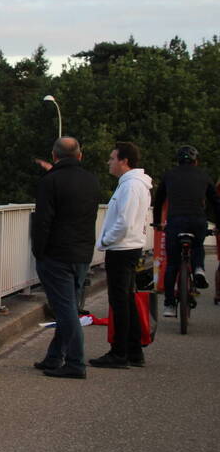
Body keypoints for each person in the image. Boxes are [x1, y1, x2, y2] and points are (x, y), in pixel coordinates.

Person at [31, 136, 100, 379]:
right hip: (82, 253)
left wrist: (39, 252)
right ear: (80, 155)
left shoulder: (50, 182)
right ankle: (54, 357)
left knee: (66, 310)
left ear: (54, 155)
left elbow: (43, 221)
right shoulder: (92, 181)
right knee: (68, 306)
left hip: (57, 254)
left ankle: (75, 362)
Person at [89, 142, 152, 368]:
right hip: (128, 247)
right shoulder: (134, 184)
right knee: (127, 300)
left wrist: (105, 241)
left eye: (112, 158)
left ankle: (119, 353)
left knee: (120, 302)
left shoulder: (130, 186)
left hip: (121, 249)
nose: (109, 162)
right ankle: (133, 351)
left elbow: (124, 222)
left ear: (124, 161)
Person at [153, 145, 220, 318]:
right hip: (197, 220)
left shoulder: (169, 175)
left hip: (175, 221)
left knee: (172, 264)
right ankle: (199, 269)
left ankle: (169, 305)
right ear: (196, 161)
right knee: (197, 246)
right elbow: (216, 202)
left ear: (178, 161)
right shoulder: (204, 175)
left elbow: (158, 201)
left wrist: (157, 222)